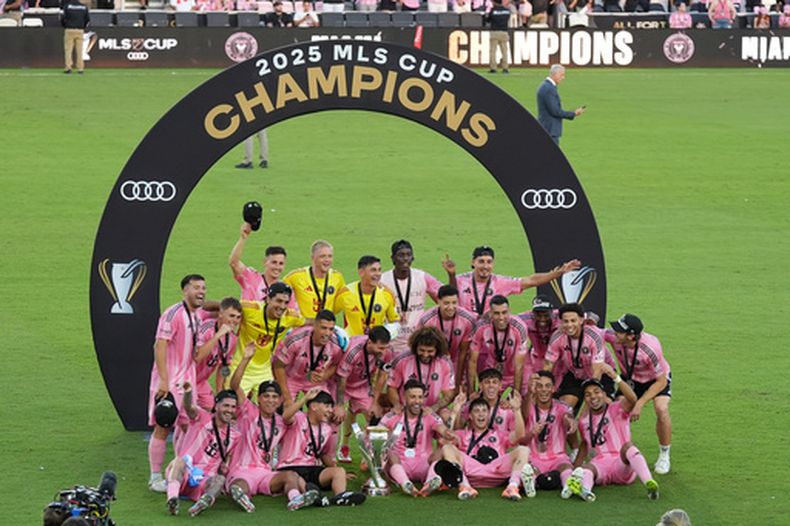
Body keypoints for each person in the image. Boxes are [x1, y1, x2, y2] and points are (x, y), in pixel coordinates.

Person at [227, 349, 319, 512]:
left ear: (280, 400)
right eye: (266, 396)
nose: (270, 400)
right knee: (240, 484)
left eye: (275, 397)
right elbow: (235, 385)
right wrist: (246, 359)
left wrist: (305, 399)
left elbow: (291, 418)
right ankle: (242, 496)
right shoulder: (248, 411)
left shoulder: (281, 422)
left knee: (290, 476)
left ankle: (295, 499)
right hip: (242, 470)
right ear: (258, 398)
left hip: (265, 472)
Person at [147, 274, 208, 493]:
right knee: (163, 426)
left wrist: (220, 332)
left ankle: (178, 472)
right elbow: (159, 345)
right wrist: (164, 380)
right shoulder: (173, 314)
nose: (201, 292)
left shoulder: (197, 317)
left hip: (187, 383)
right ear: (185, 291)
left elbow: (197, 355)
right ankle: (155, 477)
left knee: (186, 427)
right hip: (170, 382)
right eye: (196, 287)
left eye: (203, 288)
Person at [572, 366, 660, 501]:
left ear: (604, 394)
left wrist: (615, 377)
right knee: (587, 468)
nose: (593, 397)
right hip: (600, 465)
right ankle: (586, 491)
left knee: (628, 447)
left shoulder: (617, 408)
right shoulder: (583, 421)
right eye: (588, 395)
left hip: (621, 464)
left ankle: (649, 483)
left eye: (596, 392)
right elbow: (584, 444)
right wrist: (575, 469)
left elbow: (632, 399)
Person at [605, 313, 673, 474]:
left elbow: (661, 381)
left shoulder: (650, 348)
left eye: (620, 331)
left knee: (661, 409)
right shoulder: (615, 338)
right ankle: (614, 452)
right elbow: (595, 331)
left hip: (655, 380)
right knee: (616, 411)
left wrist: (640, 403)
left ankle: (664, 455)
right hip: (631, 379)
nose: (615, 333)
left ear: (631, 336)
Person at [277, 388, 367, 506]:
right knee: (298, 480)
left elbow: (323, 454)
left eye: (331, 407)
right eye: (327, 406)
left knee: (339, 471)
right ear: (314, 406)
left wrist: (339, 474)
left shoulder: (326, 429)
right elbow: (285, 416)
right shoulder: (298, 418)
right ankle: (313, 496)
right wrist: (305, 398)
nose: (330, 410)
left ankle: (341, 496)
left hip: (311, 468)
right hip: (290, 467)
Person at [163, 386, 240, 516]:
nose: (230, 410)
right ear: (216, 406)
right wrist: (188, 392)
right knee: (179, 461)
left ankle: (203, 503)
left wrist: (225, 469)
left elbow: (227, 460)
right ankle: (172, 499)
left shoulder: (235, 435)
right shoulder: (202, 417)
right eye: (226, 406)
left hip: (205, 479)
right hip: (185, 472)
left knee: (220, 479)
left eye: (233, 407)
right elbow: (188, 407)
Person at [443, 245, 581, 317]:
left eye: (489, 262)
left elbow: (531, 280)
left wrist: (559, 272)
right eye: (481, 261)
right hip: (464, 332)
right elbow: (450, 295)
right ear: (473, 262)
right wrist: (451, 275)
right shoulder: (460, 279)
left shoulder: (501, 282)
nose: (485, 266)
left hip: (489, 333)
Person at [443, 393, 533, 500]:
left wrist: (517, 410)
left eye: (484, 411)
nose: (481, 414)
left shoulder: (499, 434)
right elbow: (445, 438)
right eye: (477, 411)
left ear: (489, 415)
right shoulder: (462, 434)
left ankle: (512, 486)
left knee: (523, 450)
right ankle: (464, 486)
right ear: (470, 416)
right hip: (471, 471)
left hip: (496, 471)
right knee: (447, 448)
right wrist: (454, 412)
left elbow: (520, 435)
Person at [380, 380, 457, 496]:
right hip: (400, 463)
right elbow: (377, 434)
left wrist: (448, 433)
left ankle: (430, 482)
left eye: (420, 397)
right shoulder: (393, 416)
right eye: (413, 397)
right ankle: (405, 483)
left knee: (441, 450)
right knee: (389, 453)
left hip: (424, 464)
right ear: (404, 398)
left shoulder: (429, 415)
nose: (417, 401)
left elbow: (442, 429)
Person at [229, 282, 304, 395]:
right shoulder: (251, 309)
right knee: (232, 401)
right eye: (279, 301)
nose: (282, 306)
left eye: (286, 302)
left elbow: (309, 322)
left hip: (264, 371)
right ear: (268, 299)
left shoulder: (290, 316)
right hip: (240, 367)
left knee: (272, 403)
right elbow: (224, 307)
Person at [522, 371, 586, 497]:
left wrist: (570, 421)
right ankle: (530, 485)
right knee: (530, 469)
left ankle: (567, 487)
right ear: (535, 388)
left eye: (547, 386)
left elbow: (567, 415)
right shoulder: (528, 406)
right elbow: (524, 414)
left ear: (553, 388)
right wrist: (529, 392)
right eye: (539, 386)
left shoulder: (561, 407)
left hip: (557, 457)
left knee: (565, 467)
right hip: (534, 456)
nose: (543, 390)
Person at [335, 326, 393, 463]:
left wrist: (375, 402)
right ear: (370, 342)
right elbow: (341, 379)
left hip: (362, 385)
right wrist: (340, 404)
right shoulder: (353, 351)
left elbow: (382, 376)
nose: (383, 351)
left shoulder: (388, 351)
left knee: (374, 415)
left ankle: (368, 454)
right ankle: (342, 446)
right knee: (335, 417)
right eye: (380, 348)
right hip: (342, 384)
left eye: (385, 348)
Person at [543, 302, 611, 410]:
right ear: (561, 322)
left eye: (573, 320)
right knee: (564, 409)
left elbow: (597, 371)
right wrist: (543, 385)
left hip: (602, 375)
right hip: (575, 374)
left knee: (598, 410)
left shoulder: (594, 337)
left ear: (581, 320)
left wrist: (590, 399)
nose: (569, 325)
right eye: (566, 321)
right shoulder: (557, 336)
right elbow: (548, 365)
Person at [380, 240, 442, 354]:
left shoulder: (422, 277)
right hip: (390, 342)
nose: (405, 259)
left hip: (417, 341)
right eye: (401, 255)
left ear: (413, 257)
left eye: (408, 255)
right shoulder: (382, 281)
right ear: (392, 258)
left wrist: (451, 275)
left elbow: (445, 297)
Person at [272, 310, 345, 405]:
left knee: (325, 409)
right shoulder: (296, 340)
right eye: (323, 328)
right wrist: (287, 397)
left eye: (331, 329)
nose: (327, 333)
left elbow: (336, 364)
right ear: (314, 326)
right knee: (285, 408)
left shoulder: (336, 344)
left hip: (314, 382)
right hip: (291, 378)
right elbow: (278, 366)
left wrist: (325, 375)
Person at [417, 285, 477, 390]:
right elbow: (420, 348)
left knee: (461, 391)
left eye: (454, 303)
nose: (451, 307)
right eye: (446, 303)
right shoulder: (426, 320)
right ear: (438, 301)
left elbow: (463, 351)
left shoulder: (468, 319)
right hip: (434, 357)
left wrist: (458, 382)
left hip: (457, 358)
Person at [388, 327, 456, 418]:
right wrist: (397, 405)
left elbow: (449, 394)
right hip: (406, 409)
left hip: (432, 409)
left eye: (430, 351)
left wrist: (433, 408)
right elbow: (392, 387)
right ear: (415, 347)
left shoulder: (445, 363)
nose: (425, 355)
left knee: (447, 416)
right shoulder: (401, 360)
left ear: (437, 350)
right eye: (421, 350)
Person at [467, 295, 528, 395]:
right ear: (490, 313)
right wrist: (471, 392)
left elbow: (519, 366)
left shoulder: (519, 328)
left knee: (524, 400)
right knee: (486, 402)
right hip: (492, 373)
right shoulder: (481, 327)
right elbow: (472, 361)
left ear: (509, 311)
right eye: (496, 313)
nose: (501, 317)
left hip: (514, 373)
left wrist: (516, 394)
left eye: (504, 312)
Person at [194, 297, 242, 410]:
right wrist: (218, 335)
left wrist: (220, 392)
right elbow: (197, 357)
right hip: (186, 378)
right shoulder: (206, 328)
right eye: (231, 316)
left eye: (238, 317)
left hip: (201, 382)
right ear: (220, 314)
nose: (234, 321)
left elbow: (223, 366)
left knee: (214, 409)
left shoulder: (232, 339)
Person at [334, 255, 400, 336]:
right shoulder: (345, 293)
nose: (378, 274)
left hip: (376, 342)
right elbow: (330, 312)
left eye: (379, 270)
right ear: (361, 272)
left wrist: (385, 335)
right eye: (373, 270)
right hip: (352, 342)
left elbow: (394, 322)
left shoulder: (386, 294)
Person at [284, 240, 346, 319]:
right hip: (304, 324)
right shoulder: (295, 277)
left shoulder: (337, 277)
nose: (327, 260)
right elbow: (279, 293)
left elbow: (342, 303)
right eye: (322, 256)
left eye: (330, 256)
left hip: (326, 324)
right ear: (313, 258)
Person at [229, 221, 287, 302]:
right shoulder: (252, 278)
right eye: (274, 262)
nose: (277, 267)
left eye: (281, 263)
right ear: (265, 262)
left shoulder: (285, 290)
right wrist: (243, 238)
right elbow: (234, 263)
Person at [454, 368, 516, 434]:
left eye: (495, 382)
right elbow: (457, 429)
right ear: (480, 385)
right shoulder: (471, 406)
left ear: (500, 385)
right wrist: (458, 407)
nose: (491, 385)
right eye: (487, 382)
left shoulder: (507, 409)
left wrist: (516, 410)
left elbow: (516, 435)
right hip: (475, 440)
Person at [536, 64, 586, 145]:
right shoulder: (549, 89)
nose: (563, 78)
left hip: (547, 129)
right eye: (562, 75)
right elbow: (555, 111)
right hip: (550, 130)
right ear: (555, 74)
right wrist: (574, 113)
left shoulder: (546, 86)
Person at [517, 295, 561, 379]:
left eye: (546, 315)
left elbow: (583, 316)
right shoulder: (525, 318)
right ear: (533, 313)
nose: (542, 319)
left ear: (552, 312)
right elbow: (509, 320)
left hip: (557, 358)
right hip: (536, 356)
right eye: (538, 315)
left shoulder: (560, 316)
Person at [61, 0, 89, 75]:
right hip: (80, 30)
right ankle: (80, 68)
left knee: (68, 50)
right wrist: (82, 26)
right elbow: (87, 19)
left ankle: (68, 68)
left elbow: (63, 18)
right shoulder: (84, 7)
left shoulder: (67, 6)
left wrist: (65, 26)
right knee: (80, 50)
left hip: (69, 29)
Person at [485, 0, 512, 74]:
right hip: (504, 32)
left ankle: (493, 68)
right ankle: (505, 68)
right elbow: (507, 19)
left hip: (494, 32)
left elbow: (488, 20)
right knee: (504, 51)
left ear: (494, 2)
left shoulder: (493, 10)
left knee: (493, 51)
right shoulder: (507, 11)